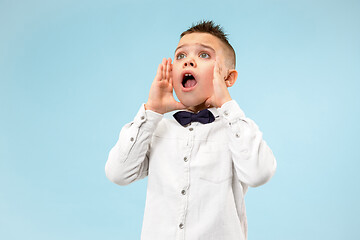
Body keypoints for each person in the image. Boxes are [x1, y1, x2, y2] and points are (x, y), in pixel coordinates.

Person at [105, 20, 277, 240]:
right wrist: (151, 112)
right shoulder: (156, 130)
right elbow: (117, 173)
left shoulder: (238, 130)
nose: (189, 62)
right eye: (180, 56)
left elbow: (259, 173)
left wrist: (227, 106)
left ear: (228, 78)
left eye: (204, 55)